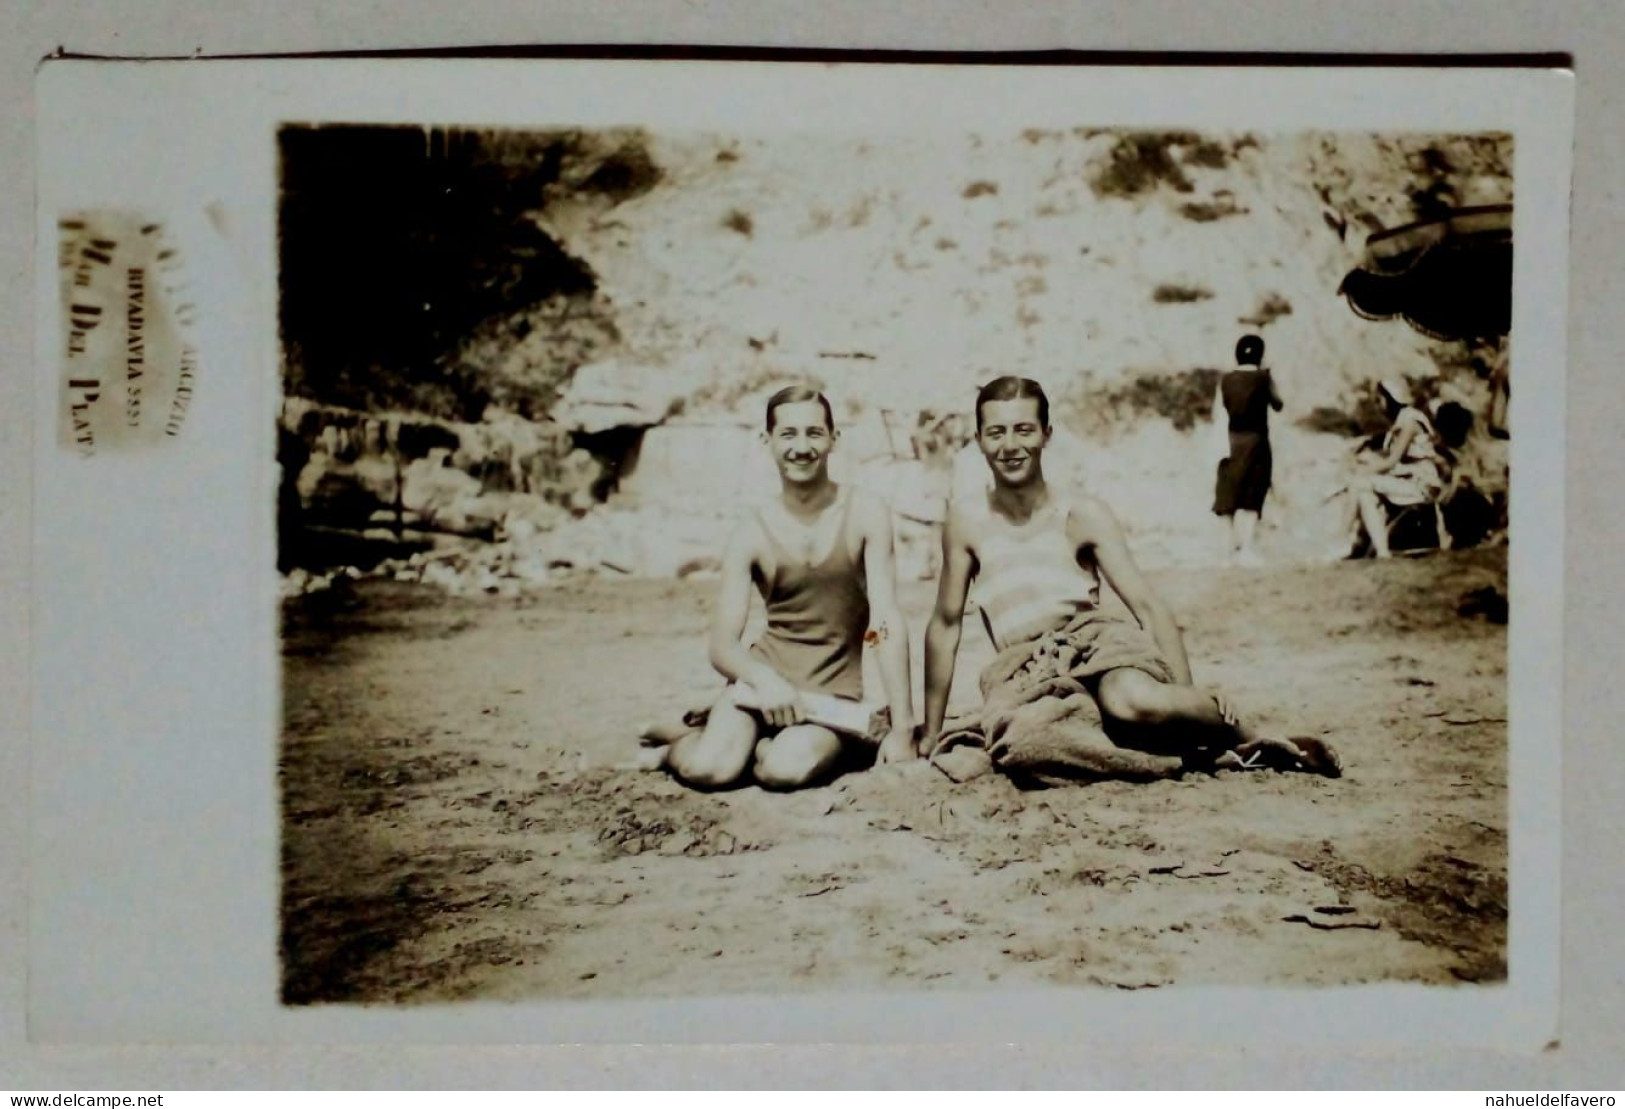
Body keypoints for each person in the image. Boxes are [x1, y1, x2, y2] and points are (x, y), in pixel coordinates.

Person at [922, 377, 1337, 784]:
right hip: (1026, 671)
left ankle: (1248, 735)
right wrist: (931, 733)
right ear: (978, 439)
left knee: (1131, 700)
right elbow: (945, 626)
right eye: (996, 432)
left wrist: (1184, 699)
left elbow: (1149, 608)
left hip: (1099, 648)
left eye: (1024, 429)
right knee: (1026, 743)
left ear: (1047, 434)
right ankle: (1162, 754)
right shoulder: (966, 522)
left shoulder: (1082, 512)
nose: (1010, 445)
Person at [659, 386, 918, 790]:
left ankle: (754, 744)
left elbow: (885, 622)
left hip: (831, 699)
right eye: (788, 434)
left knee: (784, 770)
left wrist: (903, 727)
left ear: (834, 439)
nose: (802, 447)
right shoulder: (750, 530)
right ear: (768, 441)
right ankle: (677, 744)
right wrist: (765, 682)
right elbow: (722, 646)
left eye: (814, 433)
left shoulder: (866, 512)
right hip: (761, 687)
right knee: (709, 769)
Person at [1346, 378, 1447, 558]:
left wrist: (1365, 470)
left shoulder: (1409, 422)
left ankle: (1348, 539)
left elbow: (1392, 461)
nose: (1378, 405)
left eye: (1380, 399)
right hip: (1410, 480)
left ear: (1390, 398)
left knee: (1361, 483)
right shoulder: (1401, 421)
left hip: (1422, 484)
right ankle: (1379, 550)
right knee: (1364, 491)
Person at [1210, 334, 1283, 567]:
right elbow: (1278, 404)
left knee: (1227, 495)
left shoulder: (1226, 380)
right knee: (1252, 495)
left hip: (1230, 441)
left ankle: (1227, 550)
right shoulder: (1263, 378)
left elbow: (1217, 410)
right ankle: (1247, 548)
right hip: (1256, 440)